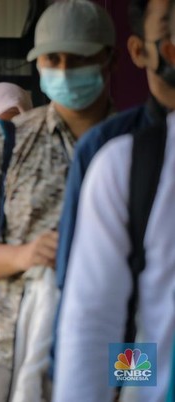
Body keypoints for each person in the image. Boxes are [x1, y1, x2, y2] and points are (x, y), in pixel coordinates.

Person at [0, 1, 116, 400]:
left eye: (78, 58)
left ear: (107, 59)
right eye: (52, 58)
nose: (63, 69)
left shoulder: (138, 145)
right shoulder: (5, 141)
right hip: (8, 354)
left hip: (121, 351)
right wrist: (27, 255)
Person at [54, 0, 175, 400]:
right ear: (140, 50)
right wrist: (131, 384)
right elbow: (97, 313)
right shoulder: (120, 154)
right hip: (138, 350)